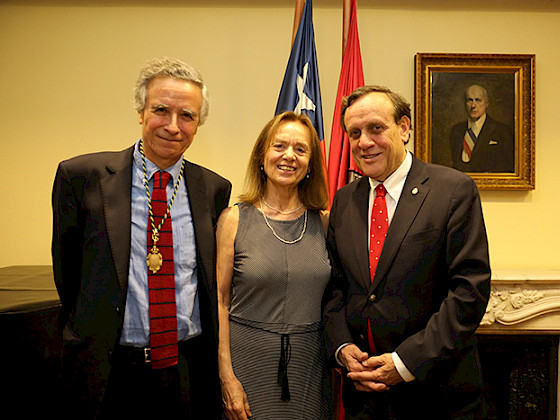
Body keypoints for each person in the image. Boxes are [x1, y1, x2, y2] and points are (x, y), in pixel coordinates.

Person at [52, 57, 231, 419]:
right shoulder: (82, 177)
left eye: (187, 116)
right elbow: (67, 272)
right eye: (161, 110)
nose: (172, 126)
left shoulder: (214, 189)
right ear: (140, 111)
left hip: (187, 369)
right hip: (109, 370)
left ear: (198, 123)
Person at [323, 85, 491, 419]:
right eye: (354, 133)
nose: (364, 142)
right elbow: (335, 289)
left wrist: (404, 362)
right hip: (365, 396)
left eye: (376, 128)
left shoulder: (453, 190)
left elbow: (468, 292)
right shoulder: (344, 200)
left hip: (437, 394)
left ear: (403, 127)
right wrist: (343, 349)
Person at [216, 111, 332, 420]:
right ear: (261, 156)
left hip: (310, 366)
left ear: (310, 165)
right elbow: (220, 301)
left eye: (300, 149)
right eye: (279, 146)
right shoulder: (233, 220)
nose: (289, 156)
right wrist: (226, 376)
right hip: (246, 362)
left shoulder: (325, 223)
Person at [449, 84, 514, 173]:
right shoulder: (457, 131)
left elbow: (509, 167)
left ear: (486, 103)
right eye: (470, 100)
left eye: (478, 100)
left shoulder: (502, 131)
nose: (473, 105)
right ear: (465, 103)